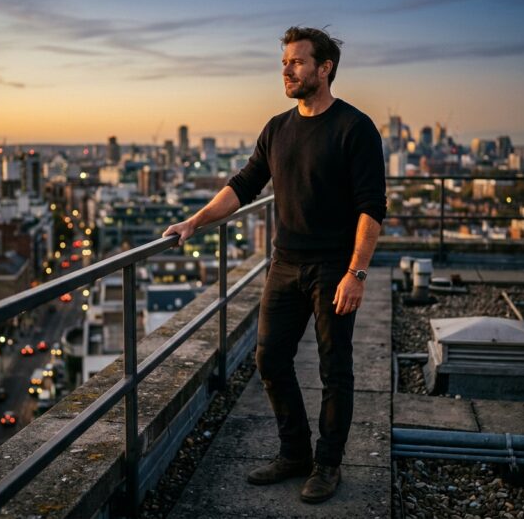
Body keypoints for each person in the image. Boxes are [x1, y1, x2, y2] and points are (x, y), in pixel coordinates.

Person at [162, 26, 386, 504]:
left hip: (333, 268)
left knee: (335, 370)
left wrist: (357, 272)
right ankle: (294, 453)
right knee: (269, 358)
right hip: (285, 263)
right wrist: (194, 222)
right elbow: (243, 185)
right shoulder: (277, 127)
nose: (286, 69)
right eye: (284, 61)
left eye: (297, 62)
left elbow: (372, 208)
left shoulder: (355, 127)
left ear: (324, 69)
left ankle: (327, 465)